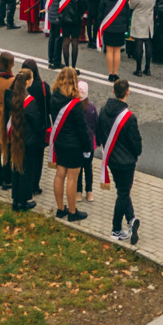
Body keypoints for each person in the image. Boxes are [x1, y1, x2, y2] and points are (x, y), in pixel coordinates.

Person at [96, 77, 142, 244]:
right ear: (127, 92)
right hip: (127, 162)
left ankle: (131, 220)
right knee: (123, 193)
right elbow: (135, 143)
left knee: (122, 190)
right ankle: (116, 229)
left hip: (111, 159)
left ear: (114, 91)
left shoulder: (103, 110)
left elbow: (99, 132)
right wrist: (136, 153)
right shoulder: (129, 118)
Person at [47, 69, 95, 220]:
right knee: (72, 178)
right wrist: (87, 147)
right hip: (74, 145)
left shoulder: (54, 98)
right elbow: (82, 129)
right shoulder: (75, 104)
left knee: (59, 175)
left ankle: (60, 209)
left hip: (59, 142)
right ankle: (73, 212)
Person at [6, 68, 44, 212]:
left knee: (16, 169)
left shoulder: (13, 97)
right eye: (32, 79)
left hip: (16, 138)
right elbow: (36, 122)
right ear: (28, 82)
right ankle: (23, 201)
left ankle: (15, 200)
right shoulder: (30, 102)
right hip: (28, 141)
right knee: (26, 172)